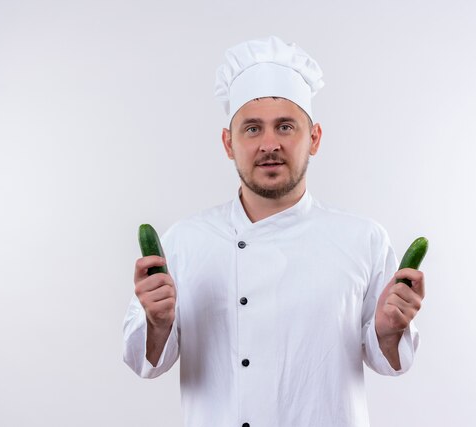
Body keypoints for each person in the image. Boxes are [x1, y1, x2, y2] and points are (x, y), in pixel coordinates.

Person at [123, 36, 425, 427]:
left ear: (313, 138)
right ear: (228, 143)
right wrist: (157, 323)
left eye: (285, 126)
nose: (269, 144)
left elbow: (391, 363)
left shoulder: (363, 239)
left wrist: (388, 331)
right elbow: (143, 365)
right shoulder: (183, 242)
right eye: (251, 129)